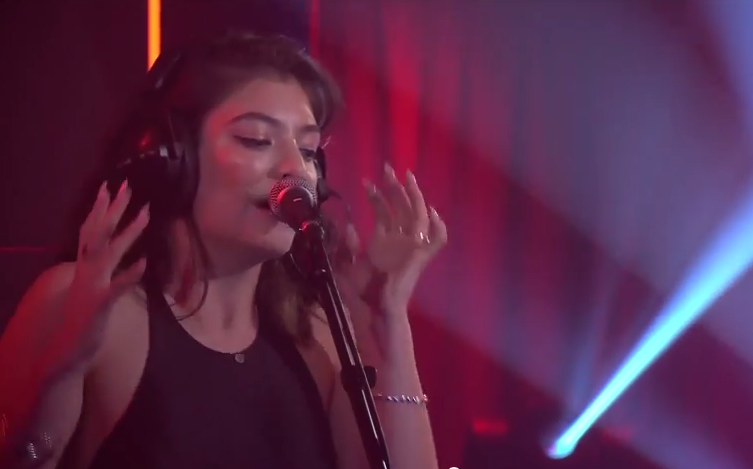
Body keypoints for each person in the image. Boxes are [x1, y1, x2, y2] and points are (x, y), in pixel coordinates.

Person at [0, 31, 446, 469]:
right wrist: (60, 375)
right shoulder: (78, 300)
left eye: (309, 150)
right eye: (255, 139)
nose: (296, 169)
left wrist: (383, 319)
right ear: (173, 159)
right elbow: (25, 456)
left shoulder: (320, 333)